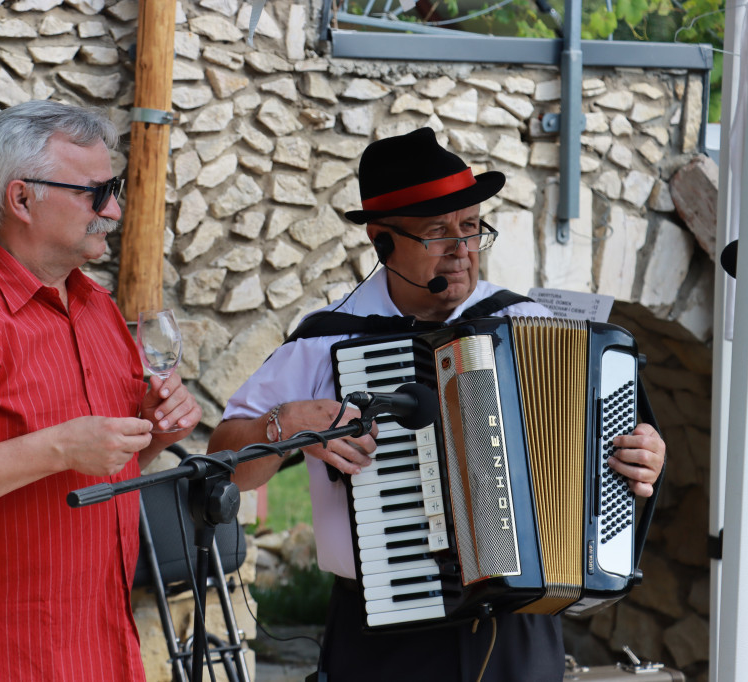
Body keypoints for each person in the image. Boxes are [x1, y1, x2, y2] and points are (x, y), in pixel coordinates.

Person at [207, 127, 666, 682]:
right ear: (381, 241)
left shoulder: (530, 325)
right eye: (438, 232)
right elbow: (225, 463)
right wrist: (292, 423)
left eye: (471, 227)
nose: (462, 248)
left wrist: (641, 456)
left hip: (520, 629)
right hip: (385, 630)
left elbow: (603, 457)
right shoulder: (324, 340)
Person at [0, 100, 202, 682]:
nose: (115, 210)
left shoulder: (97, 308)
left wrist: (152, 435)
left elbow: (96, 469)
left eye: (115, 188)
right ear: (21, 199)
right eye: (94, 194)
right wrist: (58, 448)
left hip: (97, 649)